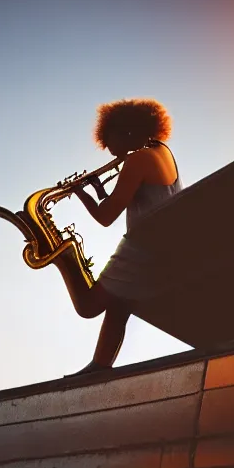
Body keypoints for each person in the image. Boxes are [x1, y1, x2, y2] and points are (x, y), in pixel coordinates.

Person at [54, 98, 183, 376]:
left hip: (141, 249)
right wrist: (100, 192)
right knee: (118, 306)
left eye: (110, 142)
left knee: (88, 306)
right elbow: (135, 199)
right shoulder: (162, 152)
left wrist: (79, 193)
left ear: (125, 131)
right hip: (161, 248)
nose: (111, 152)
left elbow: (105, 217)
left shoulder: (137, 159)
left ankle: (62, 258)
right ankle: (100, 366)